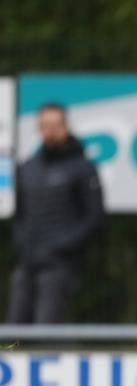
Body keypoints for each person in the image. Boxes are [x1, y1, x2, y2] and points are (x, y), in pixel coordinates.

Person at [7, 103, 105, 324]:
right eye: (45, 126)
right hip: (27, 261)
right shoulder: (28, 168)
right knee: (14, 328)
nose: (50, 132)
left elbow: (95, 217)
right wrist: (22, 242)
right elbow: (19, 214)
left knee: (47, 327)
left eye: (55, 125)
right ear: (39, 129)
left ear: (65, 127)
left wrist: (63, 244)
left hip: (61, 264)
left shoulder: (82, 168)